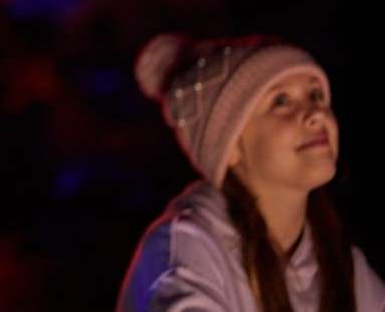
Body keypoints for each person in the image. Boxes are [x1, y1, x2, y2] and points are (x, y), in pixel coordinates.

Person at [117, 32, 385, 311]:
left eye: (316, 95)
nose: (316, 114)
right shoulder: (186, 247)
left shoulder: (340, 261)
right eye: (281, 101)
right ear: (230, 145)